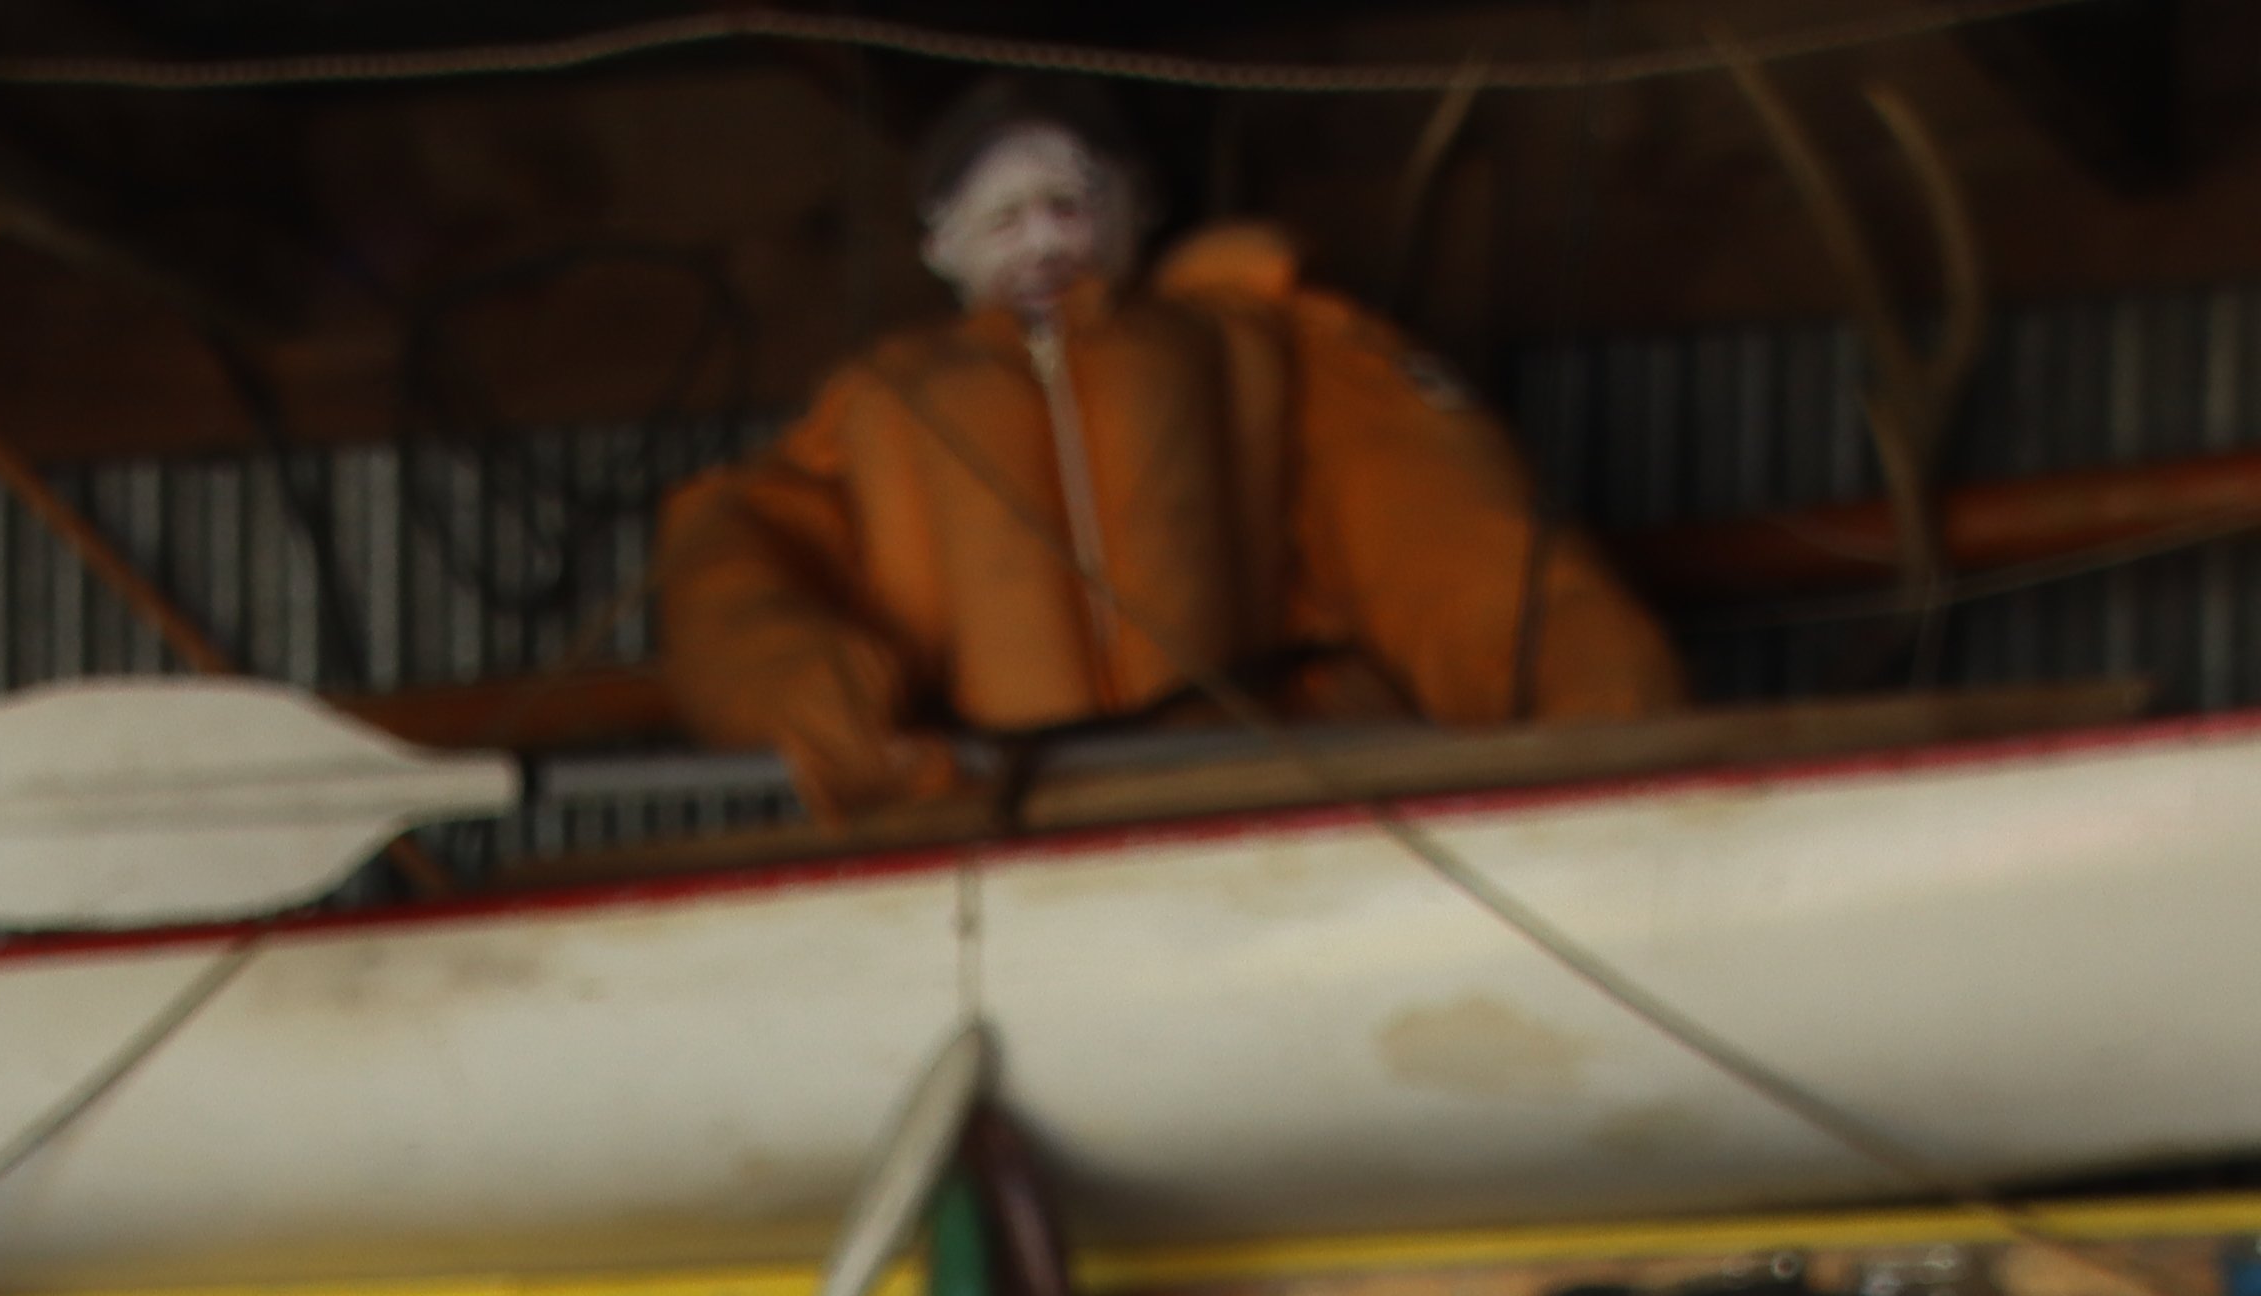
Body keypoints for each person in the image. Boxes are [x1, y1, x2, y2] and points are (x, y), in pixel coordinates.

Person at [654, 81, 1691, 823]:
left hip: (1256, 789)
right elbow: (734, 560)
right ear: (940, 244)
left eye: (1072, 202)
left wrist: (1603, 722)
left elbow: (1452, 541)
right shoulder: (877, 406)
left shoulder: (1266, 346)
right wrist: (804, 693)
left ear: (1138, 207)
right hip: (994, 812)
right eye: (1003, 216)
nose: (1044, 239)